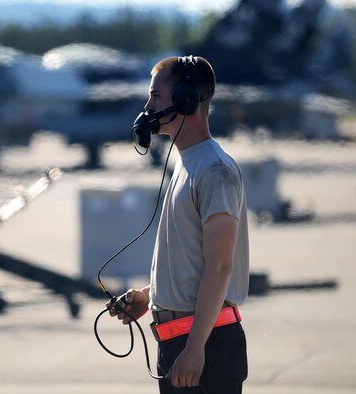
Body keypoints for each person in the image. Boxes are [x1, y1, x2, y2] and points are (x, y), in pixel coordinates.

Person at [107, 55, 249, 393]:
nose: (148, 105)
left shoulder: (214, 170)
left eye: (156, 96)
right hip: (179, 343)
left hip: (205, 346)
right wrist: (150, 297)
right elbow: (194, 262)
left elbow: (220, 265)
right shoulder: (187, 165)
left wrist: (196, 348)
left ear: (187, 99)